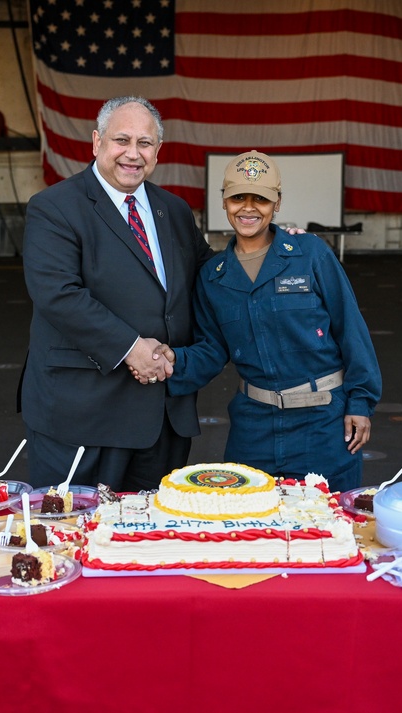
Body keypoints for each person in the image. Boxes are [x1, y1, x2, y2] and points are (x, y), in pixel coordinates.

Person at [145, 150, 382, 492]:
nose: (248, 208)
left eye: (261, 199)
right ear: (224, 202)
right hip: (253, 429)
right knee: (250, 528)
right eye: (238, 197)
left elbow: (351, 330)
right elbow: (211, 349)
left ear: (278, 203)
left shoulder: (311, 254)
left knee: (327, 531)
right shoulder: (213, 276)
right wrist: (169, 361)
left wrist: (361, 402)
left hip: (325, 425)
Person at [18, 96, 213, 493]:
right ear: (96, 142)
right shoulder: (54, 207)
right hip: (83, 417)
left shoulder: (173, 210)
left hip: (162, 418)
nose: (133, 153)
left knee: (150, 540)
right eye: (121, 140)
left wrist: (271, 247)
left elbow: (210, 274)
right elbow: (58, 294)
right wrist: (133, 348)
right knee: (72, 536)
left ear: (158, 151)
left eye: (145, 143)